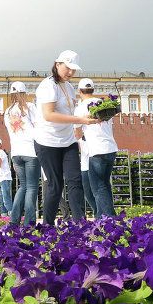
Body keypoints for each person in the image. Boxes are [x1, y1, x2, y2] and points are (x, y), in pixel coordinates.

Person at [34, 50, 100, 226]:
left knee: (75, 180)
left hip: (68, 141)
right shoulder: (47, 86)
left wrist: (90, 118)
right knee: (55, 186)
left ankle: (80, 223)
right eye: (68, 68)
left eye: (74, 70)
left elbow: (71, 112)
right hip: (47, 142)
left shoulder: (70, 87)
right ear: (57, 64)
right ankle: (47, 226)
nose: (70, 72)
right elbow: (49, 115)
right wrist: (80, 120)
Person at [75, 78, 119, 217]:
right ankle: (108, 216)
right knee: (105, 185)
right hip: (111, 149)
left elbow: (77, 133)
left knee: (98, 188)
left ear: (79, 91)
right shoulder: (104, 104)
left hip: (96, 151)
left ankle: (106, 219)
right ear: (93, 90)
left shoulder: (80, 107)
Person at [4, 82, 39, 226]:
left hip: (16, 153)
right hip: (30, 151)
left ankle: (14, 220)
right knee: (31, 187)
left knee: (23, 186)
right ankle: (29, 222)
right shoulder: (29, 107)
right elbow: (39, 126)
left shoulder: (7, 111)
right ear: (25, 93)